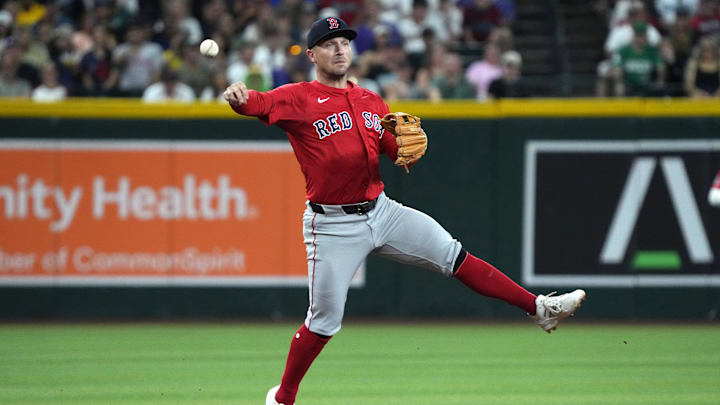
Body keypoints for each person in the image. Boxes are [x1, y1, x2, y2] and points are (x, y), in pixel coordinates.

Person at [223, 17, 586, 405]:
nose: (340, 49)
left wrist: (402, 148)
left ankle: (540, 309)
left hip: (382, 210)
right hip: (331, 226)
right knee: (324, 322)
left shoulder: (371, 100)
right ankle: (283, 397)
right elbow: (256, 104)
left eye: (344, 41)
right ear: (312, 55)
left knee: (454, 255)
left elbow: (390, 149)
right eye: (329, 44)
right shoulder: (298, 97)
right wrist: (240, 96)